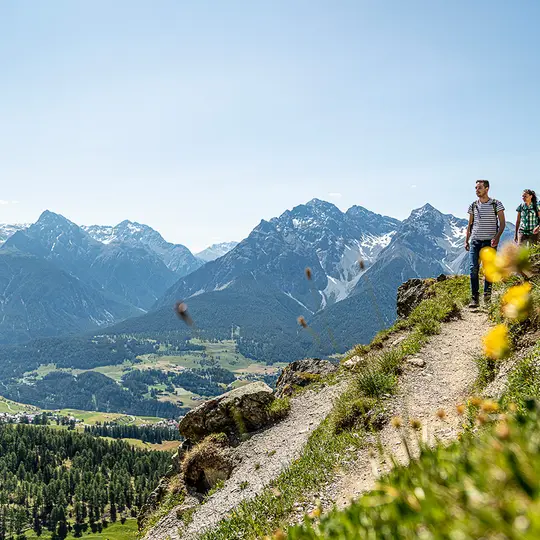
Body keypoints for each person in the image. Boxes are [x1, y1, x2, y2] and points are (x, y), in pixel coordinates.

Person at [465, 179, 506, 308]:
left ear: (487, 188)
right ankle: (474, 298)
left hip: (490, 242)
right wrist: (467, 240)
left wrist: (498, 237)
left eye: (479, 188)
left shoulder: (496, 204)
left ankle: (487, 298)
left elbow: (503, 223)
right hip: (475, 241)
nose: (477, 190)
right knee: (473, 269)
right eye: (476, 188)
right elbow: (470, 224)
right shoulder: (473, 205)